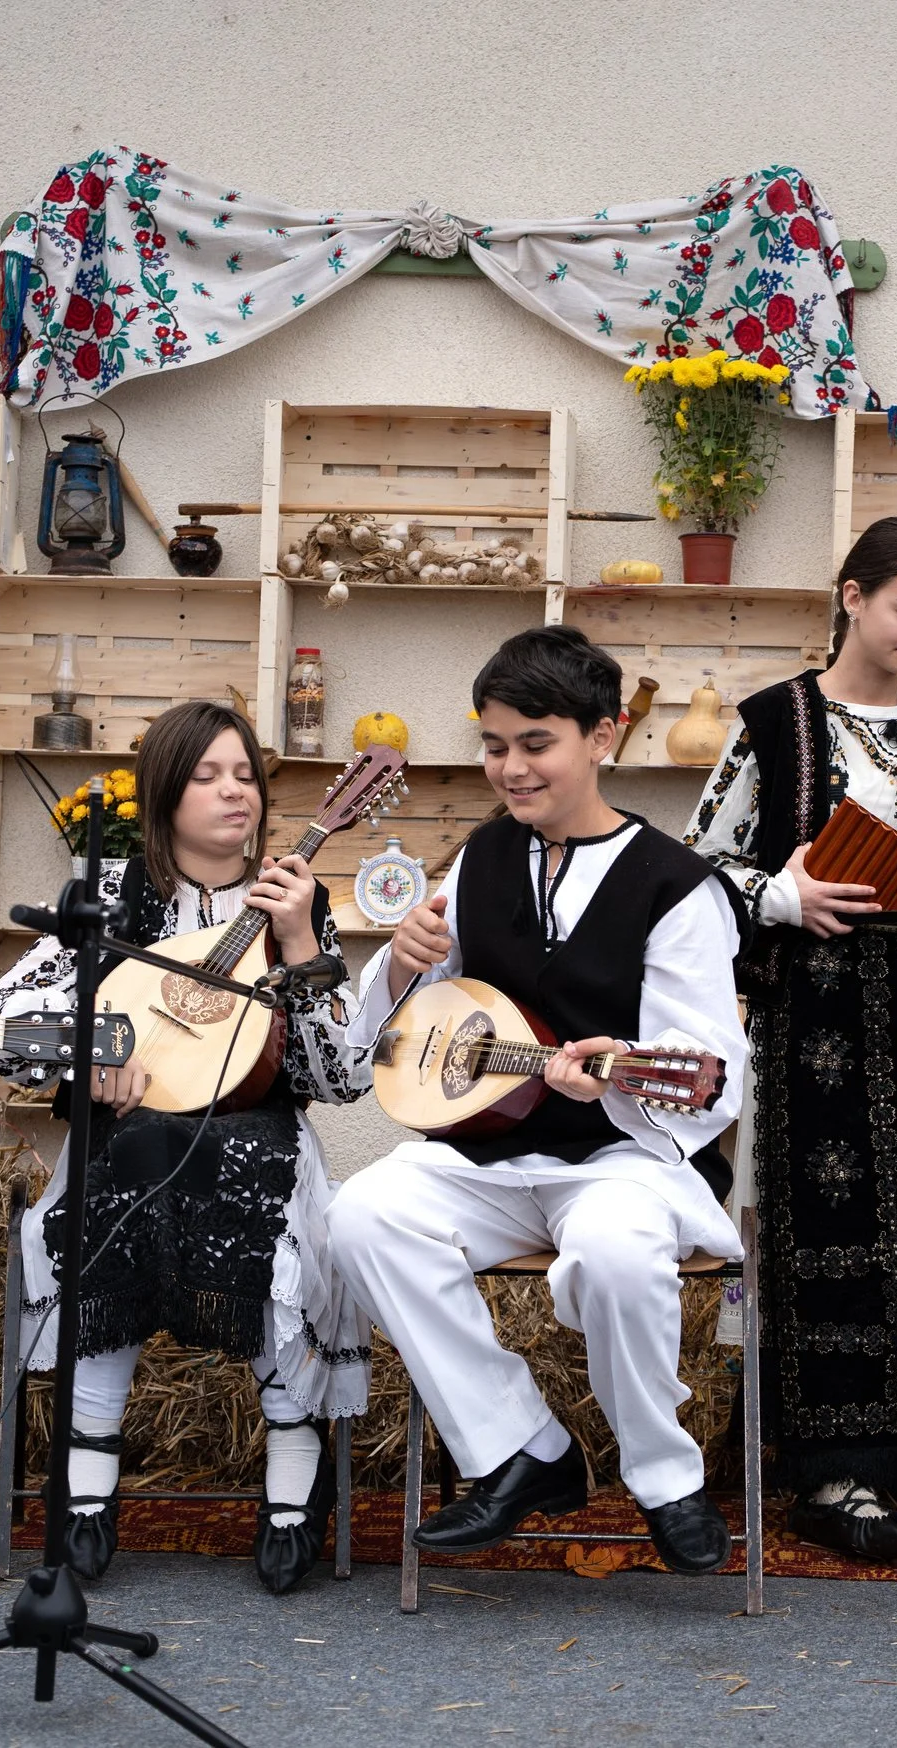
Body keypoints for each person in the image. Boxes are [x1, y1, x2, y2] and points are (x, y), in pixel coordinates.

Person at [327, 626, 746, 1576]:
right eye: (493, 745)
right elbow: (407, 1033)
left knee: (612, 1251)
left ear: (604, 737)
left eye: (535, 744)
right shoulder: (478, 861)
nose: (510, 769)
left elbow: (709, 1069)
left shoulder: (678, 886)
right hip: (491, 1156)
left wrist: (622, 1065)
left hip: (619, 1159)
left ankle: (664, 1476)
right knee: (360, 1215)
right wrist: (398, 964)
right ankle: (520, 1448)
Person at [0, 700, 367, 1594]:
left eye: (247, 777)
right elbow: (6, 1017)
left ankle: (296, 1473)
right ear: (163, 791)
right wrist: (98, 1050)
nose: (235, 794)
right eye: (207, 775)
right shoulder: (112, 896)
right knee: (122, 1171)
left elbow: (338, 1078)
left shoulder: (296, 904)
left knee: (255, 1193)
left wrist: (302, 940)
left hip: (255, 1134)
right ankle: (85, 1484)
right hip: (132, 1141)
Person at [683, 513, 897, 1562]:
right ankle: (824, 1464)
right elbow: (696, 868)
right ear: (851, 595)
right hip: (806, 1016)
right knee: (816, 1229)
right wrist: (780, 895)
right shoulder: (774, 720)